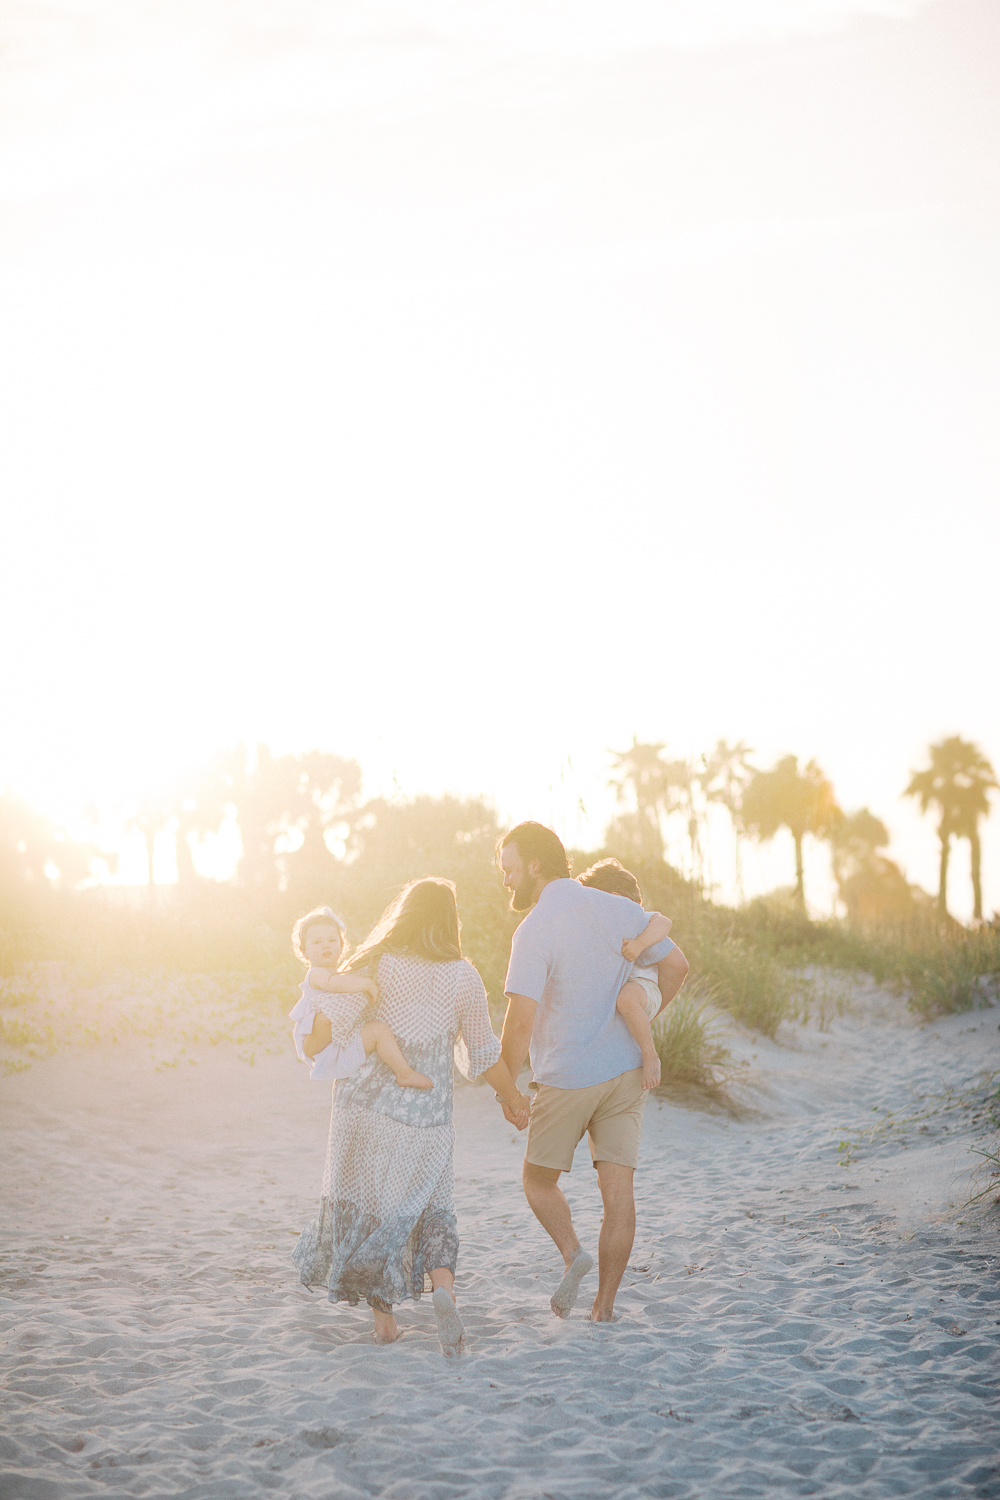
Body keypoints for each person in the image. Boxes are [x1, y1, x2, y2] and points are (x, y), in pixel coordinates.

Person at [292, 879, 531, 1356]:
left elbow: (323, 1027)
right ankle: (443, 1290)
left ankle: (384, 1325)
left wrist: (311, 1039)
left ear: (402, 914)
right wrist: (513, 1099)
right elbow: (483, 1053)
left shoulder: (374, 962)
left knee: (372, 1209)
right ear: (450, 921)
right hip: (428, 1115)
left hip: (363, 1108)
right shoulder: (463, 976)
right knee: (432, 1206)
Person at [497, 822, 689, 1323]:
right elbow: (677, 967)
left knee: (538, 1182)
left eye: (510, 869)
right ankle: (603, 1309)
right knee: (618, 1196)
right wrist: (645, 1015)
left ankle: (572, 1254)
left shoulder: (535, 928)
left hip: (566, 1076)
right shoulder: (619, 909)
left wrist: (507, 1088)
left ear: (535, 865)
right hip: (626, 1072)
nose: (507, 882)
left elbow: (520, 1022)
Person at [289, 906, 432, 1089]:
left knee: (379, 1031)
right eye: (317, 942)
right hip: (315, 1041)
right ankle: (405, 1073)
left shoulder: (343, 974)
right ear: (304, 951)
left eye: (332, 940)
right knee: (330, 1019)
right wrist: (367, 984)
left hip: (338, 1040)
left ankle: (404, 1073)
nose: (326, 945)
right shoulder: (316, 974)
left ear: (342, 946)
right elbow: (334, 984)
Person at [576, 860, 672, 1091]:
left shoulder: (639, 919)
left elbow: (664, 922)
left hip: (644, 987)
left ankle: (650, 1057)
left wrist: (640, 944)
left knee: (626, 1000)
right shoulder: (604, 926)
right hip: (631, 990)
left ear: (615, 897)